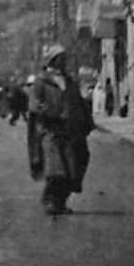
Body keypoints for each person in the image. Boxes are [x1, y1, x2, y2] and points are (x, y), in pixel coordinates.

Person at [28, 45, 94, 215]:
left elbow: (78, 102)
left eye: (65, 57)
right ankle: (49, 200)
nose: (64, 61)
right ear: (53, 60)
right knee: (56, 169)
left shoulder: (69, 81)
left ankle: (61, 202)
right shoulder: (41, 81)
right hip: (50, 130)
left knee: (74, 167)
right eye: (61, 57)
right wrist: (52, 112)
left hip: (70, 131)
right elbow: (35, 105)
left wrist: (86, 121)